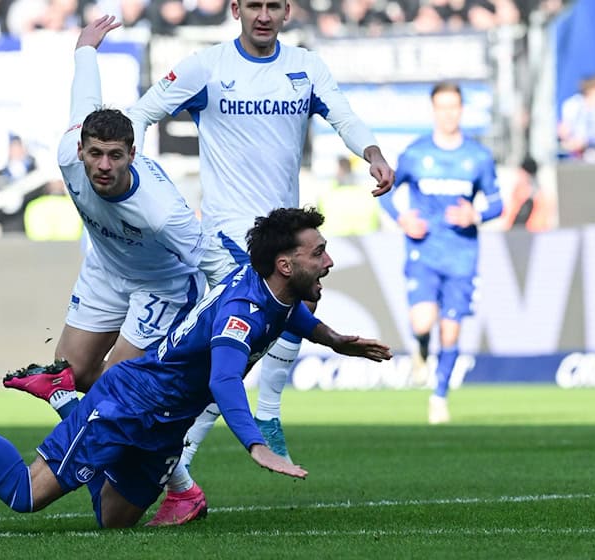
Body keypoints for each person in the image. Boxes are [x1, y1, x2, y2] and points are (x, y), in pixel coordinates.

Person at [0, 206, 393, 529]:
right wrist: (256, 445)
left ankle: (63, 397)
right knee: (24, 494)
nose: (328, 261)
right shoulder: (241, 315)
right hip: (128, 401)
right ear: (286, 263)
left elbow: (288, 314)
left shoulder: (271, 294)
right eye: (319, 252)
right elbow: (223, 379)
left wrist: (336, 341)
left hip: (164, 424)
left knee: (113, 521)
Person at [122, 0, 395, 524]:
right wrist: (129, 173)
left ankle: (216, 448)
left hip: (284, 232)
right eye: (254, 5)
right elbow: (142, 113)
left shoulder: (306, 67)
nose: (263, 15)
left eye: (273, 5)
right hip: (229, 236)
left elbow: (344, 114)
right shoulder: (208, 66)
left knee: (264, 332)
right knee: (231, 358)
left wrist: (373, 153)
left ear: (287, 11)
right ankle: (208, 454)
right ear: (235, 9)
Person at [3, 14, 236, 415]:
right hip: (106, 269)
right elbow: (85, 98)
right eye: (95, 154)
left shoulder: (162, 212)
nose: (104, 166)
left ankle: (167, 470)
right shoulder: (66, 155)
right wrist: (85, 50)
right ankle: (146, 419)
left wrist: (239, 330)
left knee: (117, 385)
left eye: (115, 156)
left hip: (162, 285)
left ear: (132, 154)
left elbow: (219, 269)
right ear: (80, 151)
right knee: (71, 373)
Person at [378, 82, 503, 425]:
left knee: (451, 331)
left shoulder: (477, 157)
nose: (448, 113)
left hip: (462, 254)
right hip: (424, 250)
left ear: (462, 110)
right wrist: (402, 218)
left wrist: (474, 215)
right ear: (434, 110)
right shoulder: (417, 153)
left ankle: (439, 397)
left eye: (454, 107)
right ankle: (420, 348)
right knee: (423, 321)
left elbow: (496, 204)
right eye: (442, 107)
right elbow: (386, 190)